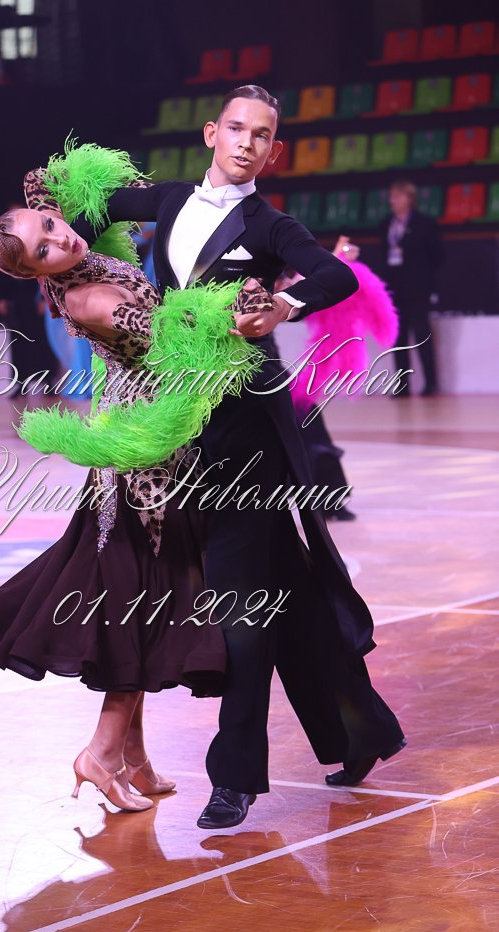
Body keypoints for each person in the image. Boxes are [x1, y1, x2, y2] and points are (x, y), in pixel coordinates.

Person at [65, 85, 406, 829]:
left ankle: (236, 776)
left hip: (248, 424)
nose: (247, 143)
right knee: (289, 589)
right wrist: (57, 258)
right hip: (179, 421)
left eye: (262, 135)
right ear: (211, 134)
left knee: (240, 602)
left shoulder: (270, 224)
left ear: (273, 151)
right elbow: (90, 212)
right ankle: (362, 729)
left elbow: (336, 275)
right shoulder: (169, 201)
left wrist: (284, 305)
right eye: (237, 129)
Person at [0, 160, 271, 815]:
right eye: (45, 247)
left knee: (136, 600)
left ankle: (133, 756)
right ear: (37, 274)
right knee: (145, 606)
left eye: (52, 224)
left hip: (141, 450)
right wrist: (240, 305)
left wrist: (43, 200)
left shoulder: (76, 261)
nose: (62, 236)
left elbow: (41, 179)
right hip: (144, 467)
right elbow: (177, 344)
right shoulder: (88, 299)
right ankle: (101, 753)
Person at [275, 235, 399, 521]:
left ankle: (329, 498)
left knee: (307, 422)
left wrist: (333, 262)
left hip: (265, 368)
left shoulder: (269, 260)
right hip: (228, 372)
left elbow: (293, 291)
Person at [378, 180, 444, 397]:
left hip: (417, 289)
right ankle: (402, 384)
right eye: (391, 197)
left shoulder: (425, 223)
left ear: (409, 198)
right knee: (398, 338)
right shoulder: (386, 224)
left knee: (422, 335)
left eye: (397, 196)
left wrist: (423, 278)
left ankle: (431, 383)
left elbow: (437, 256)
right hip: (394, 288)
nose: (393, 201)